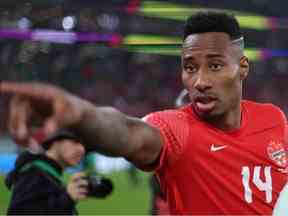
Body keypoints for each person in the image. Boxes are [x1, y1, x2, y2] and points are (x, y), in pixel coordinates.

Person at [1, 11, 288, 215]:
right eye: (189, 67)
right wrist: (80, 115)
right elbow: (128, 133)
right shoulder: (177, 129)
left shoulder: (274, 119)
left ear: (243, 68)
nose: (199, 81)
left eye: (214, 66)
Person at [5, 129, 88, 215]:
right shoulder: (34, 172)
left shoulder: (48, 174)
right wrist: (67, 199)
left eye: (84, 145)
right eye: (75, 141)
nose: (82, 149)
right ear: (56, 140)